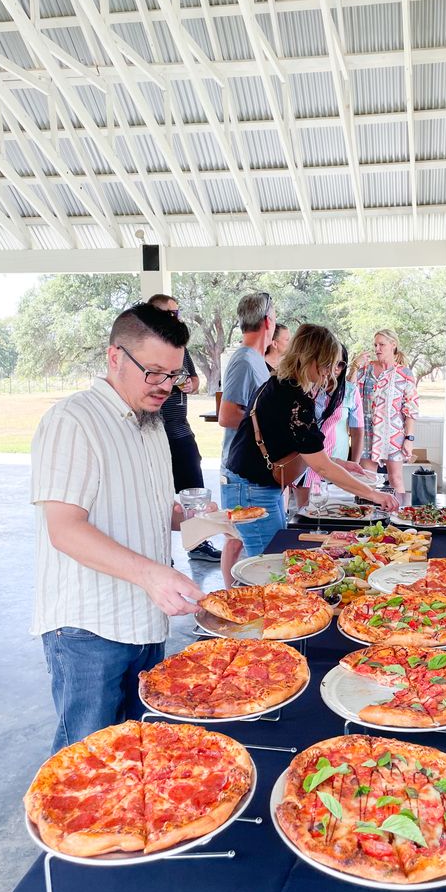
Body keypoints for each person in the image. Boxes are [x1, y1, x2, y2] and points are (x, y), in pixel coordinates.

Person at [30, 303, 205, 753]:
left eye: (174, 375)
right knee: (88, 761)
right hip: (90, 627)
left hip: (146, 620)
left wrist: (199, 518)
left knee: (137, 757)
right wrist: (151, 573)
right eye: (154, 372)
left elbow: (148, 506)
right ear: (114, 357)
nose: (166, 386)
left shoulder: (150, 424)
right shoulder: (73, 421)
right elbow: (65, 529)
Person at [225, 324, 398, 556]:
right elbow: (320, 465)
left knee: (275, 554)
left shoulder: (282, 384)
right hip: (252, 487)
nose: (328, 372)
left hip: (260, 485)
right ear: (309, 358)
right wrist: (374, 494)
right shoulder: (292, 396)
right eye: (326, 364)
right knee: (268, 560)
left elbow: (307, 450)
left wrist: (342, 463)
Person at [148, 293, 221, 563]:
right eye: (170, 313)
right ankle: (160, 553)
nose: (175, 318)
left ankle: (199, 544)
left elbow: (192, 379)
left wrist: (190, 383)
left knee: (194, 491)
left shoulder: (181, 346)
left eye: (177, 313)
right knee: (158, 496)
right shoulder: (146, 348)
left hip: (181, 430)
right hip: (154, 431)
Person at [218, 291, 275, 585]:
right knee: (251, 552)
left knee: (236, 540)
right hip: (241, 476)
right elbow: (227, 415)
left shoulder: (256, 359)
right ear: (268, 321)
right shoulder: (243, 360)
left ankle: (231, 599)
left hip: (251, 473)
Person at [356, 329, 418, 503]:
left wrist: (409, 438)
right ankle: (370, 522)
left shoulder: (404, 374)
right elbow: (349, 392)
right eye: (375, 345)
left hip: (394, 435)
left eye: (382, 344)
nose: (377, 348)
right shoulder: (365, 370)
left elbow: (411, 408)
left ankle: (399, 520)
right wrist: (355, 366)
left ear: (393, 345)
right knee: (368, 482)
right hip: (367, 434)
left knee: (396, 479)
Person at [299, 345, 364, 501]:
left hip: (338, 461)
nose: (336, 368)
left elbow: (357, 431)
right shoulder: (307, 388)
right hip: (308, 460)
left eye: (341, 364)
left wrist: (353, 463)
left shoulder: (350, 391)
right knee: (307, 511)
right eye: (333, 363)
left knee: (335, 511)